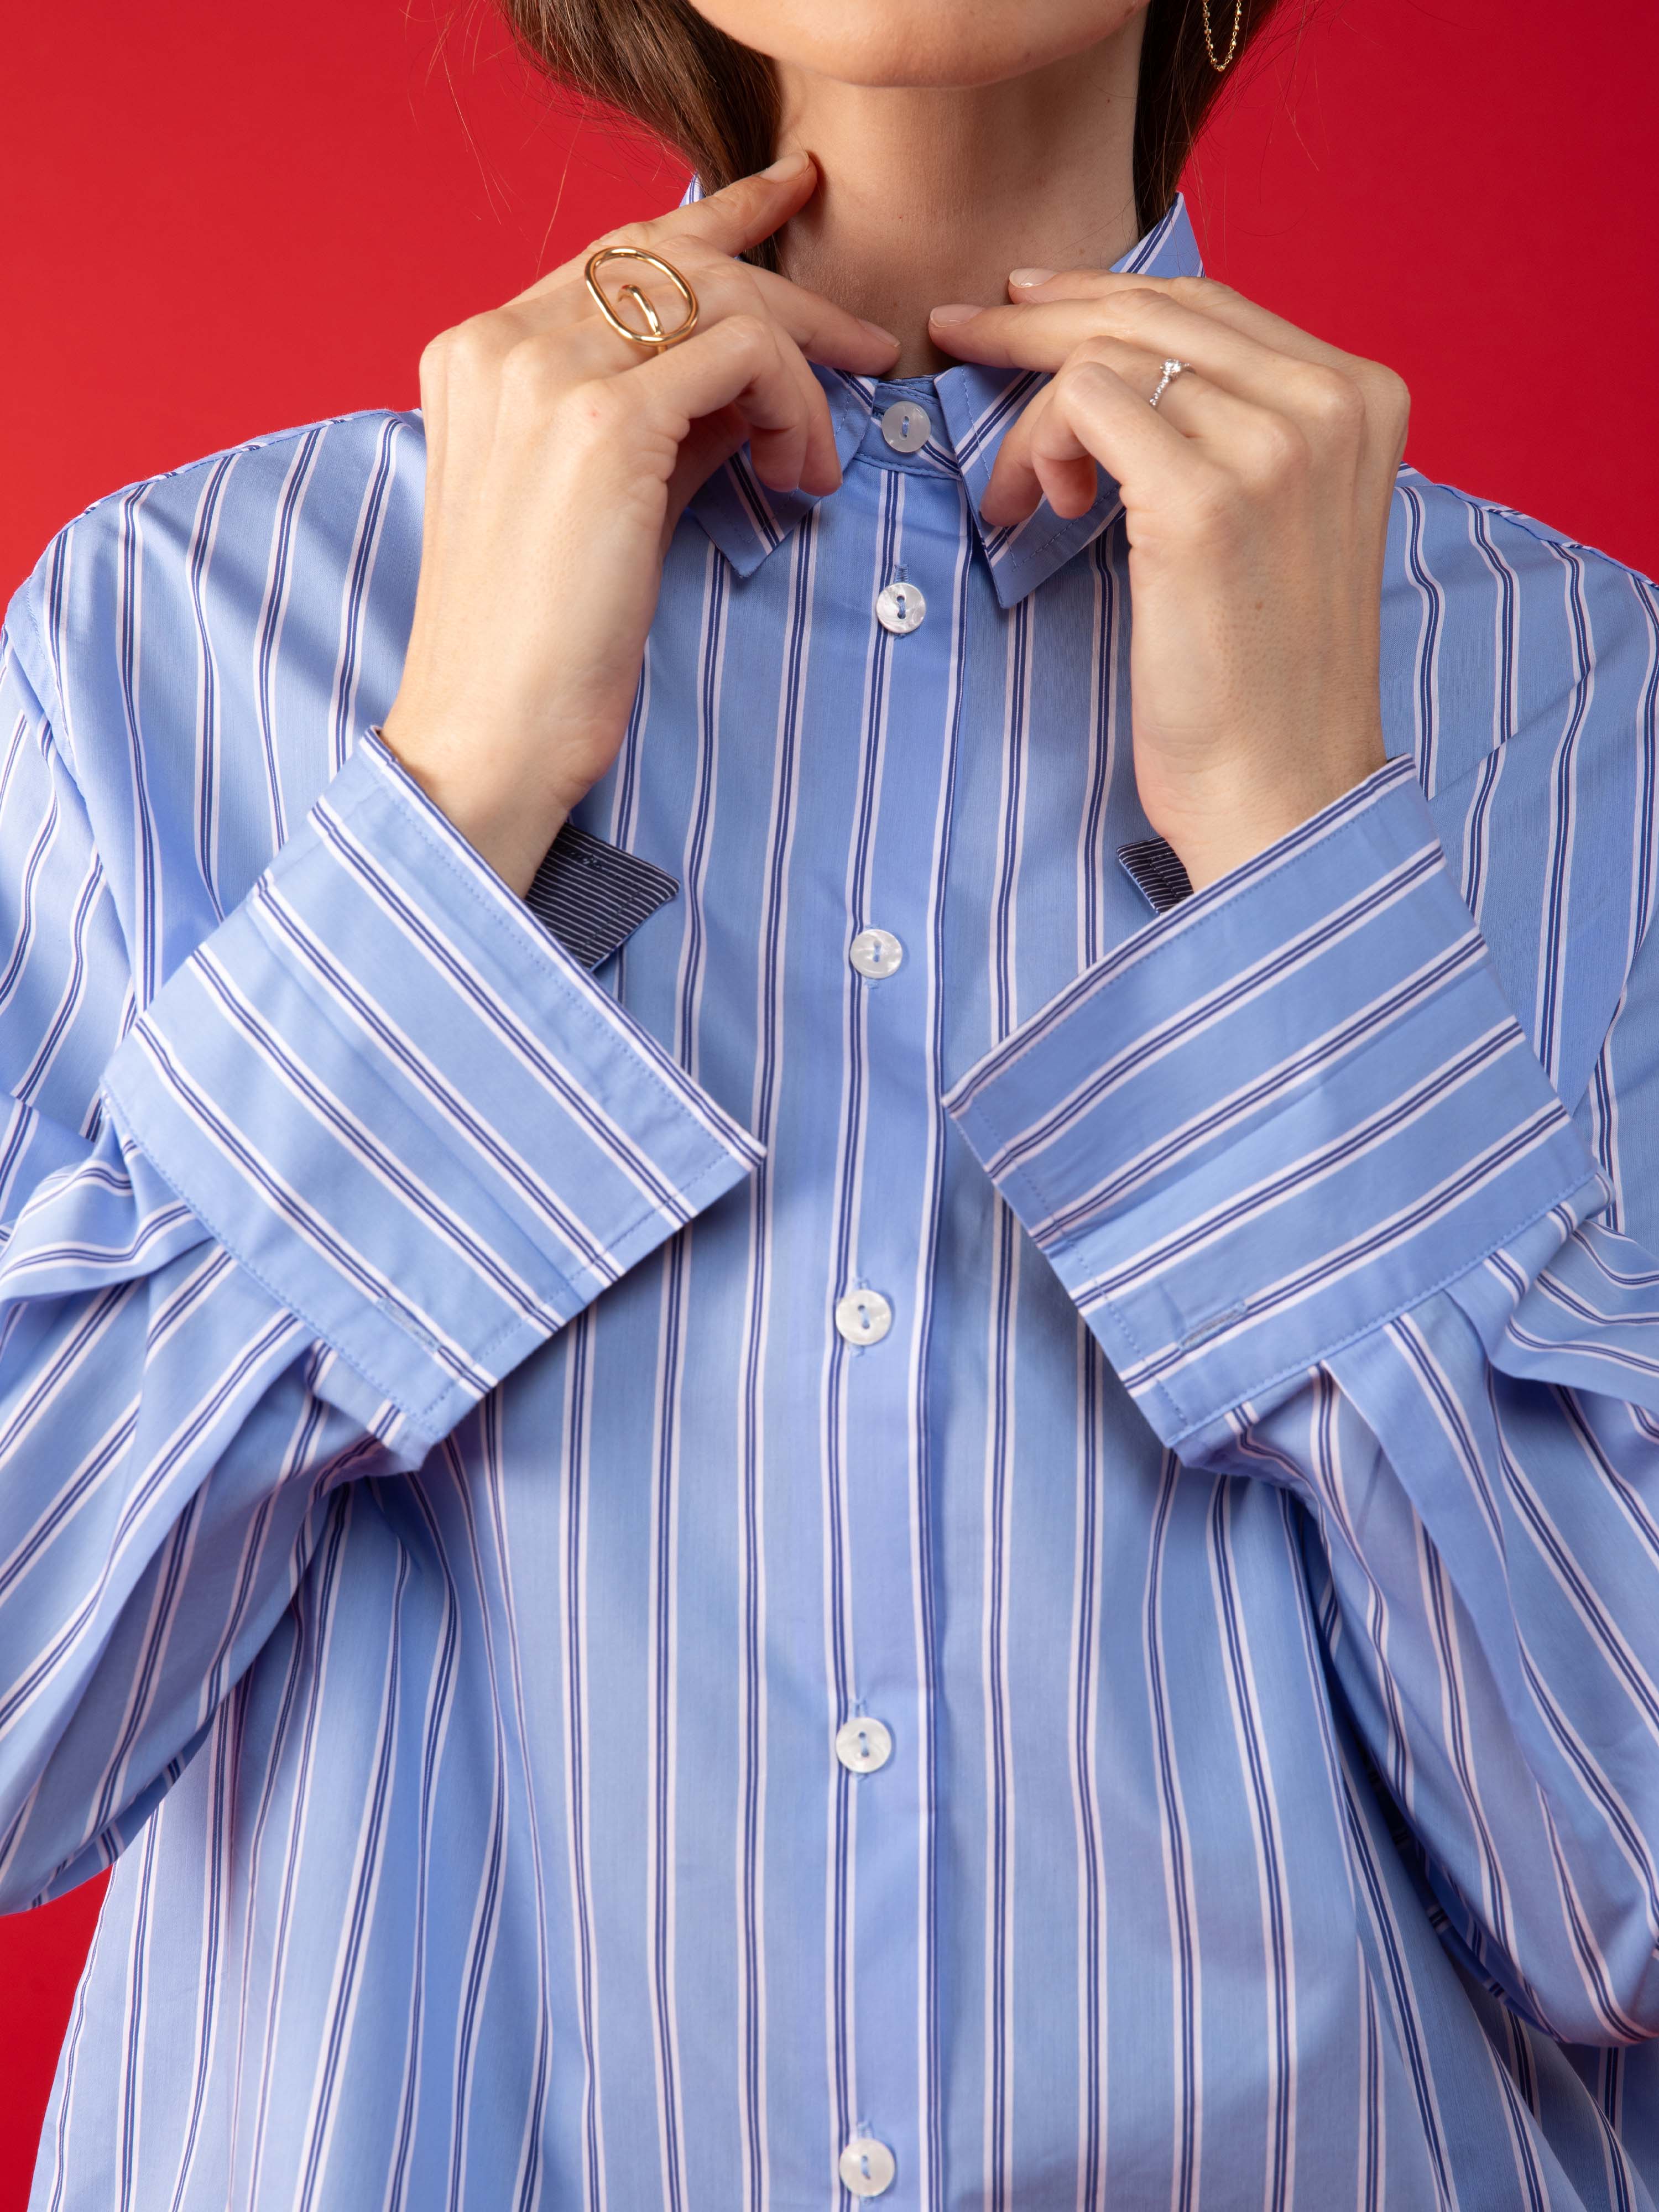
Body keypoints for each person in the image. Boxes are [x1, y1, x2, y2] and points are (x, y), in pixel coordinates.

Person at [2, 0, 1657, 2203]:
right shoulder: (163, 630)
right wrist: (456, 803)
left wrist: (1304, 871)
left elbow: (1631, 1885)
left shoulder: (1589, 704)